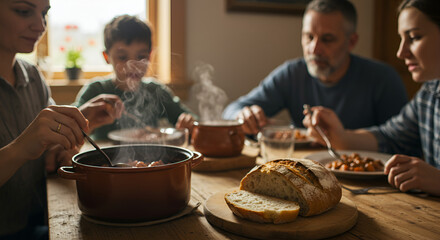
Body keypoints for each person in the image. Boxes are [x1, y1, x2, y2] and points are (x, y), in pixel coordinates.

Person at [0, 0, 124, 238]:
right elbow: (28, 145)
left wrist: (82, 120)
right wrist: (22, 147)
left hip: (40, 224)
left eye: (44, 13)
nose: (40, 25)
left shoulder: (33, 78)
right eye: (24, 11)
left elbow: (49, 160)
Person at [303, 0, 440, 196]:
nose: (401, 53)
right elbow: (391, 137)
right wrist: (339, 136)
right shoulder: (430, 92)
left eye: (415, 37)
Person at [222, 0, 408, 135]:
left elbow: (403, 141)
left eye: (327, 39)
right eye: (308, 37)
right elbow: (231, 110)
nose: (314, 49)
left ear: (351, 41)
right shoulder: (292, 73)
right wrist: (243, 115)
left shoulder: (383, 79)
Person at [75, 15, 196, 140]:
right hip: (102, 158)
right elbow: (71, 128)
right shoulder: (96, 90)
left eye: (141, 56)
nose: (133, 65)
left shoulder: (155, 91)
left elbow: (188, 118)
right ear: (106, 57)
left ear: (150, 56)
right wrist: (85, 118)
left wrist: (189, 122)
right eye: (122, 57)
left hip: (149, 158)